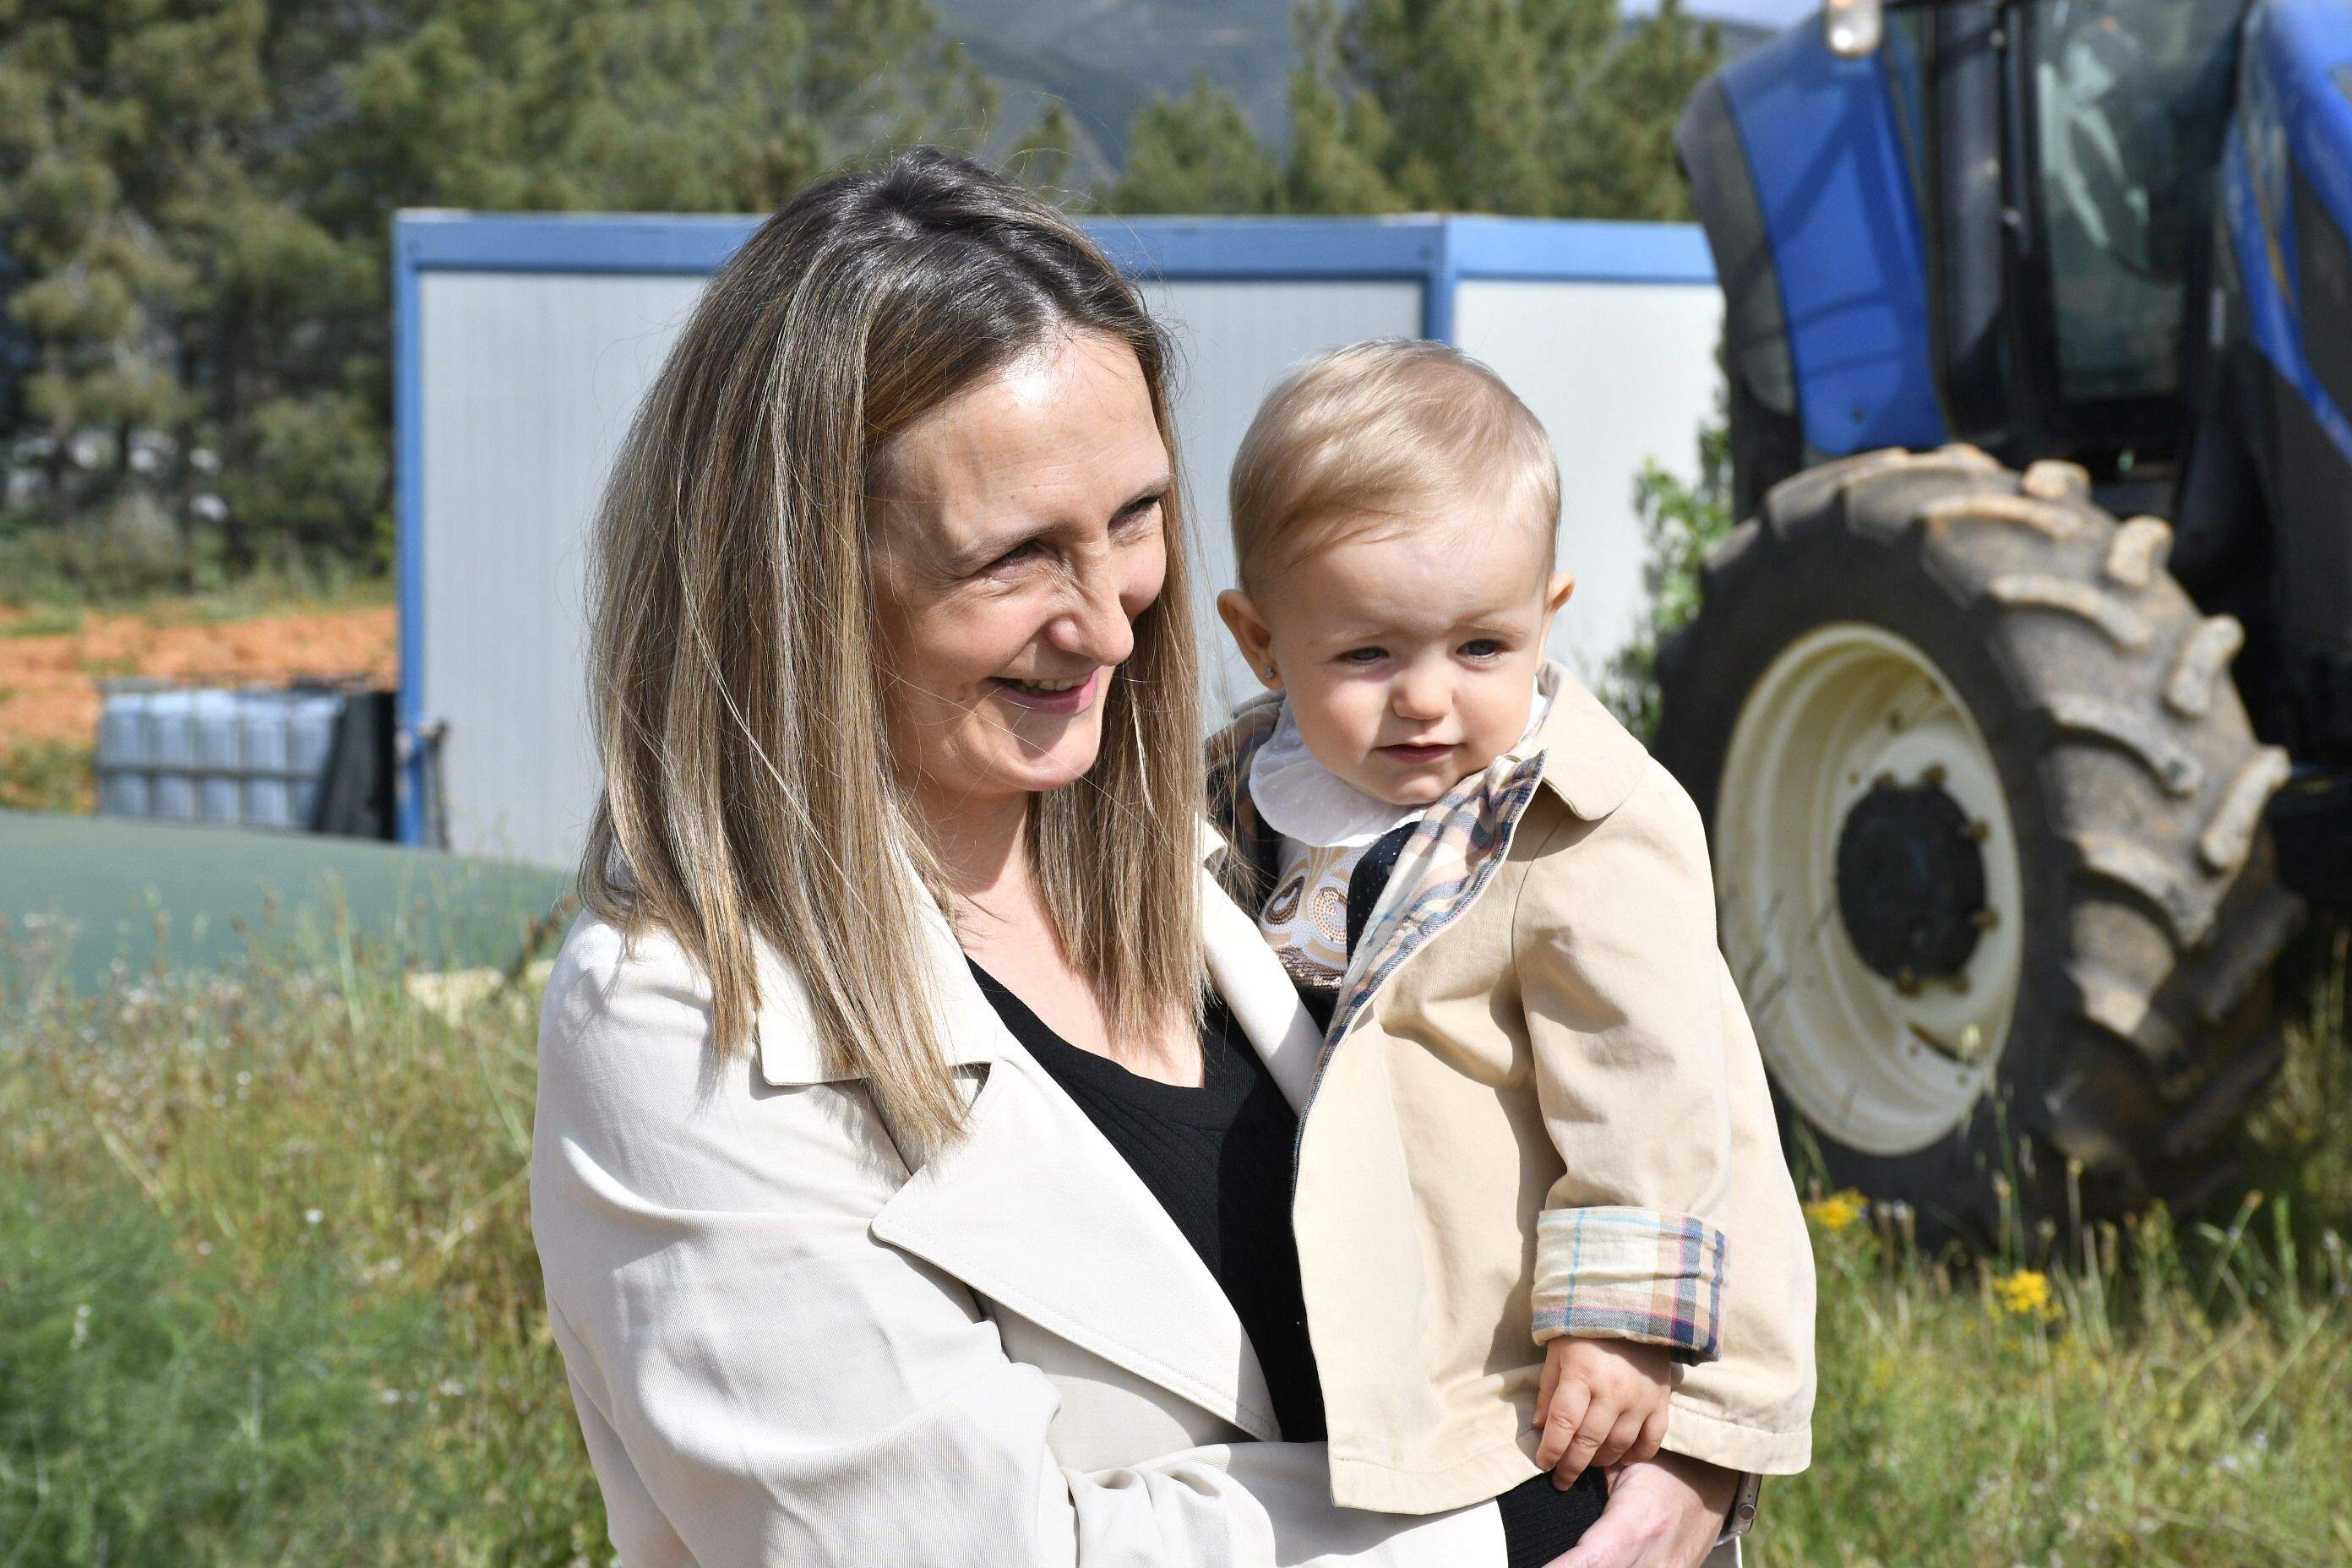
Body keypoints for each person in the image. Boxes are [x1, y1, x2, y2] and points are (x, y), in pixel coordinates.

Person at [529, 146, 1779, 1567]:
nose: (1114, 625)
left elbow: (1677, 1101)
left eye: (1135, 519)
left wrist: (1702, 1452)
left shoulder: (1242, 850)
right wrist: (1520, 1524)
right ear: (799, 577)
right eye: (1014, 557)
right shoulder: (680, 1027)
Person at [1207, 341, 1816, 1551]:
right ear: (1263, 642)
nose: (1427, 699)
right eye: (1368, 655)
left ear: (1547, 619)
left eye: (1481, 649)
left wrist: (1626, 1319)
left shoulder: (1581, 825)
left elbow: (1649, 1088)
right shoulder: (1237, 797)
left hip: (1531, 1370)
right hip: (1356, 1319)